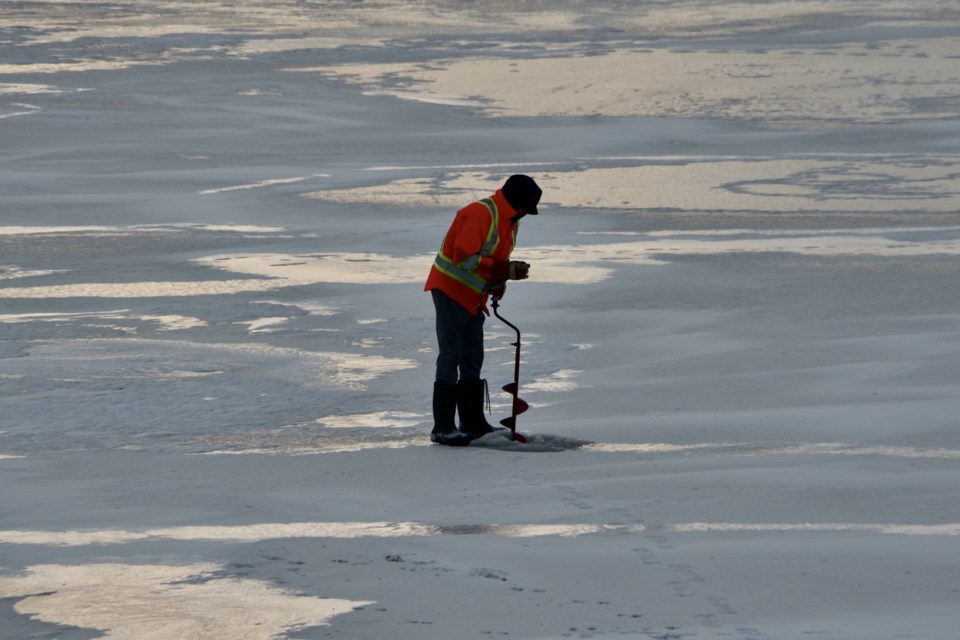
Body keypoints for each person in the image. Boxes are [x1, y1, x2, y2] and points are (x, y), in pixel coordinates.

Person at [424, 174, 542, 446]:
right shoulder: (479, 213)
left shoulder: (510, 221)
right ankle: (442, 427)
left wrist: (498, 281)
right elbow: (463, 257)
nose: (525, 214)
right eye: (525, 208)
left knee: (472, 355)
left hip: (474, 295)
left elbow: (493, 260)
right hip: (450, 289)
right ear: (516, 202)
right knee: (451, 354)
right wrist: (502, 270)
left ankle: (472, 421)